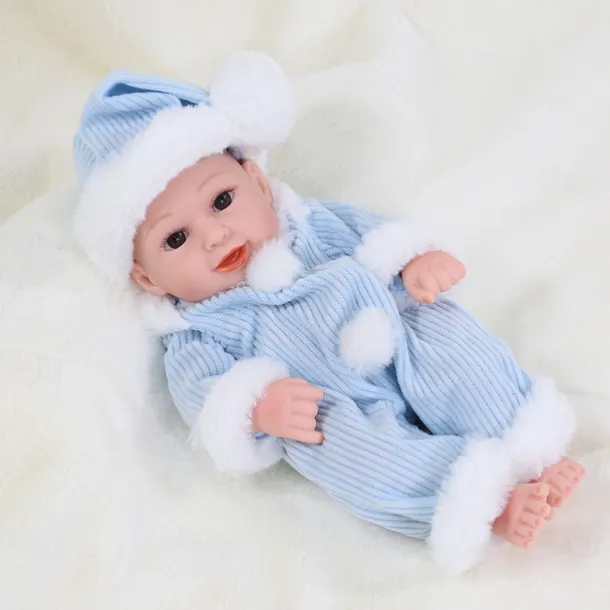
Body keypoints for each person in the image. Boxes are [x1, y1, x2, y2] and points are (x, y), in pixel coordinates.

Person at [72, 51, 585, 574]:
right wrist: (256, 405)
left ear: (258, 183)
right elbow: (201, 394)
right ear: (147, 278)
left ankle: (530, 446)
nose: (215, 235)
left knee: (451, 343)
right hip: (328, 404)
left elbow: (373, 237)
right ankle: (488, 504)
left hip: (395, 328)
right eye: (176, 238)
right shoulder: (194, 329)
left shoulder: (311, 223)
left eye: (222, 201)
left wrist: (415, 259)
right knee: (354, 453)